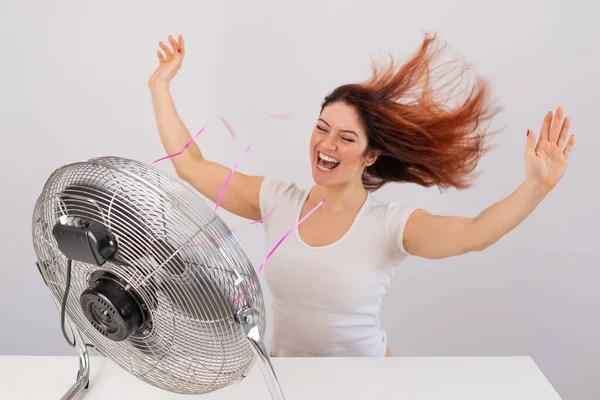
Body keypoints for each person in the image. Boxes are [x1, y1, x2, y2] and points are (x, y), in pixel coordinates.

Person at [148, 33, 576, 358]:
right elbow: (191, 165)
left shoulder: (388, 226)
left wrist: (535, 187)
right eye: (321, 128)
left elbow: (473, 233)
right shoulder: (275, 199)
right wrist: (159, 87)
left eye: (345, 138)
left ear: (370, 156)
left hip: (367, 383)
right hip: (287, 379)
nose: (327, 144)